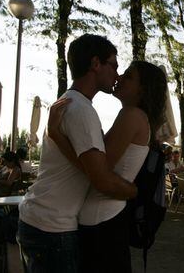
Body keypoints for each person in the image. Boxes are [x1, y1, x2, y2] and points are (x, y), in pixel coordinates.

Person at [17, 34, 138, 273]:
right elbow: (101, 178)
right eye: (113, 65)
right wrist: (133, 191)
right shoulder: (81, 111)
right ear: (95, 64)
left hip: (39, 217)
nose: (117, 74)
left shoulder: (69, 103)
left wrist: (58, 137)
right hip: (53, 227)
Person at [48, 60, 167, 272]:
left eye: (128, 76)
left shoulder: (131, 115)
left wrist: (56, 135)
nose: (119, 77)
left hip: (102, 220)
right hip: (106, 218)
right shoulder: (137, 118)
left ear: (143, 89)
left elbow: (98, 170)